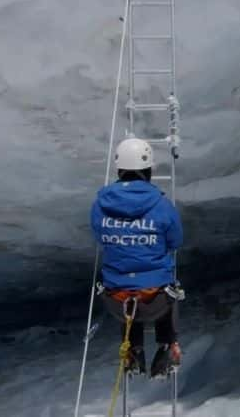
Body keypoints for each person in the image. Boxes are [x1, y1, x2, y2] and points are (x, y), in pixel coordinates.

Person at [90, 137, 184, 378]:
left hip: (117, 303)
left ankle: (132, 350)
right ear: (148, 171)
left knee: (125, 290)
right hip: (156, 301)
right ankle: (167, 346)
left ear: (119, 169)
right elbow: (175, 242)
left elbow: (100, 237)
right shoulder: (162, 205)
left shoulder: (101, 205)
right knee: (168, 287)